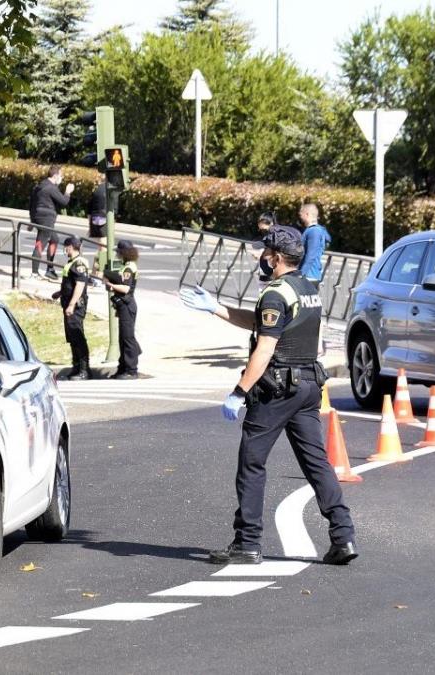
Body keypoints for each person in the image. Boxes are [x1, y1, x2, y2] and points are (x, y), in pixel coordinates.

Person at [179, 227, 357, 566]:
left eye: (264, 252)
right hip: (307, 387)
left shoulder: (275, 293)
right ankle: (343, 535)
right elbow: (264, 324)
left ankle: (247, 542)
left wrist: (239, 391)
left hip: (277, 390)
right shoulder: (307, 288)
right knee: (316, 463)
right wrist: (216, 308)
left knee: (252, 463)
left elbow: (265, 346)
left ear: (275, 257)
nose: (261, 257)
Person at [51, 236, 91, 380]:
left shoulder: (79, 263)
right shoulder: (72, 262)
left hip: (75, 306)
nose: (65, 249)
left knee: (78, 336)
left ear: (70, 247)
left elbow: (80, 285)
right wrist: (60, 293)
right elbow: (70, 284)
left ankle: (84, 370)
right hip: (68, 304)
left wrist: (72, 305)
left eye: (66, 246)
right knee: (72, 338)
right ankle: (76, 367)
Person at [28, 165, 75, 279]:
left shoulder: (40, 186)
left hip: (39, 217)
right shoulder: (51, 188)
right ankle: (34, 273)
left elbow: (31, 204)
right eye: (61, 176)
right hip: (46, 218)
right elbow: (63, 202)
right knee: (41, 242)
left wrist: (32, 219)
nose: (62, 178)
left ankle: (50, 269)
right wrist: (68, 192)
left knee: (54, 239)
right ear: (55, 176)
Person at [104, 240, 141, 379]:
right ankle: (123, 368)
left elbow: (125, 288)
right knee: (123, 337)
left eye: (118, 251)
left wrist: (111, 285)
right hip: (124, 305)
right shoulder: (127, 265)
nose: (117, 253)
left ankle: (131, 370)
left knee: (127, 338)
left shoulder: (128, 268)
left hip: (127, 304)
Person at [299, 203, 330, 287]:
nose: (300, 217)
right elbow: (328, 239)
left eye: (301, 214)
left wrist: (301, 274)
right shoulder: (317, 230)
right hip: (311, 275)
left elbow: (311, 255)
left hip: (309, 275)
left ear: (307, 214)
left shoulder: (314, 231)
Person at [88, 180, 108, 279]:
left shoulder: (98, 189)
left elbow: (89, 208)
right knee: (103, 249)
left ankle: (93, 274)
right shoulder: (109, 189)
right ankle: (99, 274)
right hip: (104, 218)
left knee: (100, 249)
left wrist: (89, 226)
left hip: (94, 218)